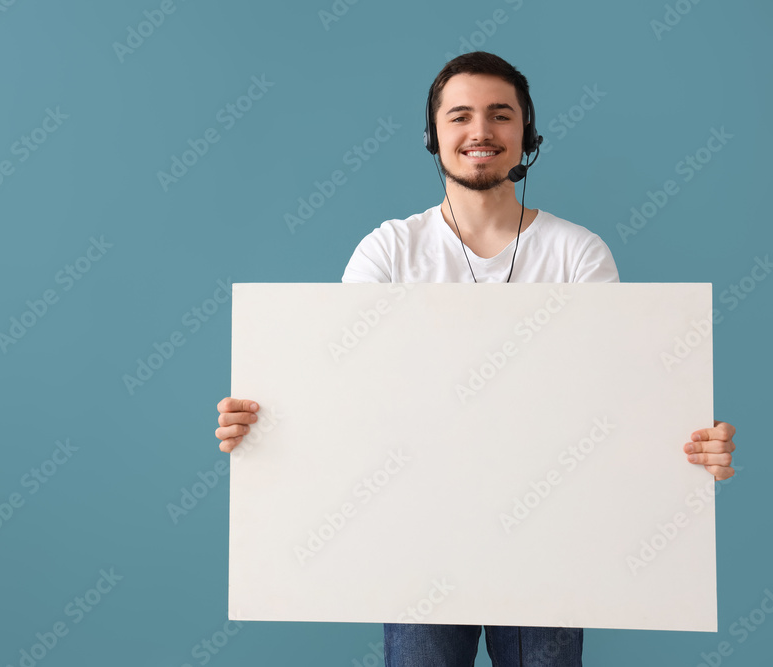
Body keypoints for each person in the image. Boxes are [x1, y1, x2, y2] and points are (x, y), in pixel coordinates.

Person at [214, 51, 737, 666]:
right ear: (434, 136)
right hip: (417, 539)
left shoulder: (578, 255)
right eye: (460, 116)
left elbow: (614, 400)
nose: (481, 131)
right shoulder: (389, 251)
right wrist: (265, 425)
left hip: (549, 537)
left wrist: (690, 447)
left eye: (500, 115)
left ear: (527, 135)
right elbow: (345, 394)